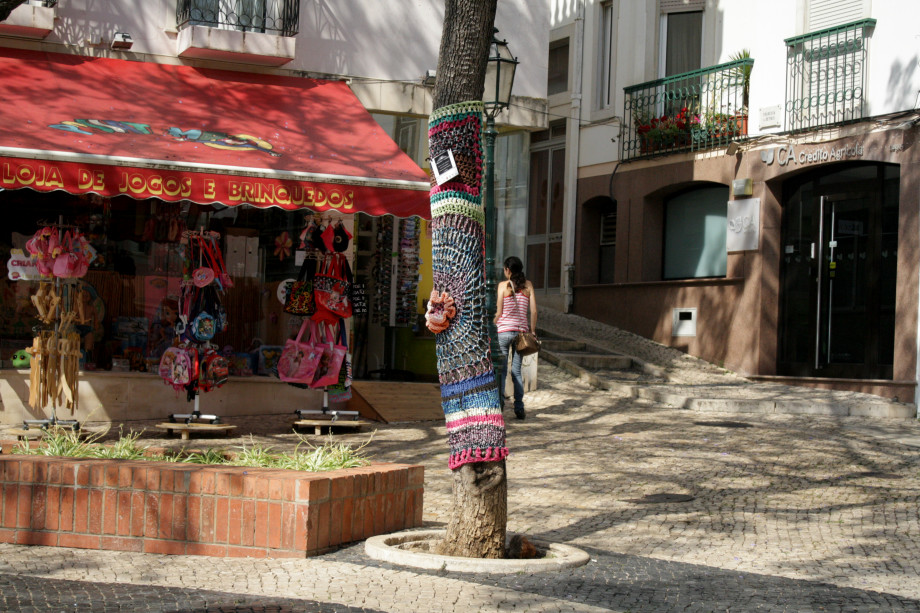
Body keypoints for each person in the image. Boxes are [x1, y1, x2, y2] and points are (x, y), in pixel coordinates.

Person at [493, 256, 537, 420]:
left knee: (501, 371)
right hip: (521, 334)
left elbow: (499, 312)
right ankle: (519, 408)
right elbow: (533, 312)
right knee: (516, 372)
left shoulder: (502, 286)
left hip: (503, 332)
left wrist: (492, 324)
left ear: (508, 270)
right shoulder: (528, 285)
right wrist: (532, 331)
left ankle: (500, 406)